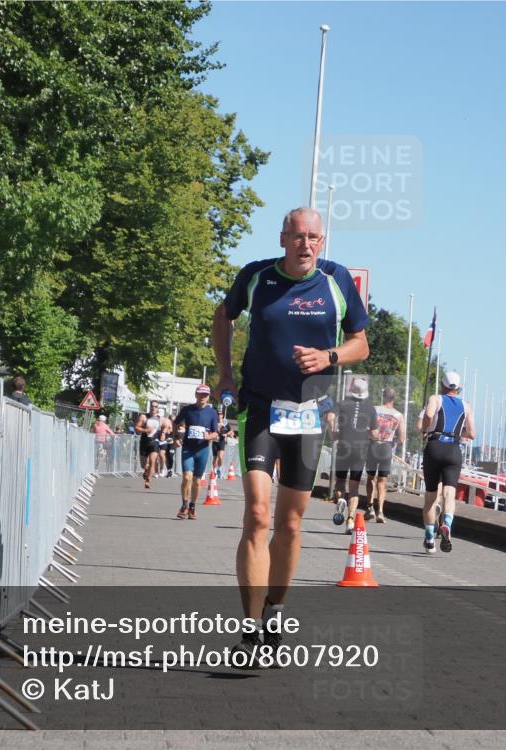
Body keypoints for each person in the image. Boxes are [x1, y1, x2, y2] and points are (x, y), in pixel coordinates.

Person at [212, 206, 368, 663]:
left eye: (313, 237)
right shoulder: (257, 276)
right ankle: (249, 629)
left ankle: (276, 613)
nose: (305, 244)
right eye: (297, 236)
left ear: (323, 242)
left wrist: (330, 358)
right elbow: (223, 316)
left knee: (291, 524)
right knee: (258, 516)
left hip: (307, 415)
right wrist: (225, 374)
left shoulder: (337, 282)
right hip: (260, 409)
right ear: (283, 238)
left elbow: (361, 341)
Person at [418, 372, 476, 553]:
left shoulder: (436, 398)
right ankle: (447, 524)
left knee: (430, 497)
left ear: (443, 386)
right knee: (449, 494)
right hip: (453, 450)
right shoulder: (466, 405)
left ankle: (429, 538)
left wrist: (425, 429)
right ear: (458, 389)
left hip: (435, 446)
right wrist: (459, 434)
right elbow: (472, 434)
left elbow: (428, 415)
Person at [327, 377, 374, 534]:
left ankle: (340, 499)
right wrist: (365, 432)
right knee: (354, 487)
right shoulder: (370, 409)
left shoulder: (341, 403)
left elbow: (330, 417)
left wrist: (333, 433)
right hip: (360, 449)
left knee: (340, 481)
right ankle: (351, 520)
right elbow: (374, 433)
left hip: (343, 446)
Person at [173, 385, 220, 519]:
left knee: (197, 481)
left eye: (205, 395)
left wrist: (208, 436)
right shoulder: (187, 410)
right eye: (200, 394)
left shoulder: (212, 412)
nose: (202, 397)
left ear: (208, 397)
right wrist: (175, 437)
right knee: (187, 477)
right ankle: (184, 504)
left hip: (203, 450)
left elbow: (215, 432)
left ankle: (192, 506)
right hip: (188, 448)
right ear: (195, 395)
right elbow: (175, 423)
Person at [364, 387, 406, 524]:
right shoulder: (399, 415)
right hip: (387, 447)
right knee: (382, 482)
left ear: (383, 396)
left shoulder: (374, 409)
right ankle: (380, 511)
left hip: (373, 445)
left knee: (371, 478)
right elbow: (402, 438)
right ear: (394, 398)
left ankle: (369, 507)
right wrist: (393, 444)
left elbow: (365, 428)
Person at [135, 401, 163, 489]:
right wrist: (145, 430)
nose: (153, 408)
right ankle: (146, 470)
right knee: (143, 465)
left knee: (152, 461)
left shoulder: (160, 418)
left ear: (158, 408)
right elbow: (137, 427)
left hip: (154, 443)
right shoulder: (144, 417)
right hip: (144, 442)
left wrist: (164, 433)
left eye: (155, 406)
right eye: (152, 406)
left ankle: (148, 480)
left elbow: (167, 425)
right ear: (149, 407)